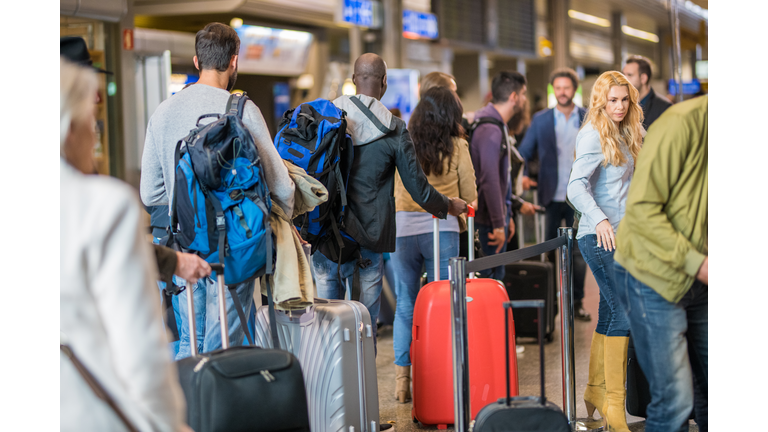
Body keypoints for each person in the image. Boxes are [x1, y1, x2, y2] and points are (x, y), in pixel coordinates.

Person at [140, 22, 295, 360]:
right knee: (226, 345)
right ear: (234, 61)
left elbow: (150, 193)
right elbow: (282, 186)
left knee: (190, 342)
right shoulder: (241, 110)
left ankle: (190, 396)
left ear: (197, 62)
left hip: (183, 245)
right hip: (235, 247)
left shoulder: (163, 112)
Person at [60, 57, 189, 432]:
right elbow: (140, 349)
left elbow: (150, 189)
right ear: (69, 128)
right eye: (92, 122)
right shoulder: (103, 205)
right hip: (91, 415)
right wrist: (169, 423)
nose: (95, 135)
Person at [316, 53, 468, 354]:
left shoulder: (326, 117)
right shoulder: (394, 129)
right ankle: (362, 383)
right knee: (364, 327)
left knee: (325, 325)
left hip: (326, 236)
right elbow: (419, 190)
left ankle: (329, 382)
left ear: (353, 79)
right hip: (368, 239)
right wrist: (448, 205)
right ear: (384, 82)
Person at [612, 96, 708, 432]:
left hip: (700, 276)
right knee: (675, 400)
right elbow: (642, 211)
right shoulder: (680, 124)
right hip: (650, 274)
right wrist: (700, 264)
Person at [567, 71, 645, 432]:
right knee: (624, 314)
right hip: (598, 237)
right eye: (612, 100)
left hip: (624, 237)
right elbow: (575, 186)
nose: (619, 106)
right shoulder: (592, 134)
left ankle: (596, 391)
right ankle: (615, 406)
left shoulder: (629, 131)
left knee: (610, 312)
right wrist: (598, 219)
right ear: (600, 100)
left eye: (624, 99)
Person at [390, 86, 477, 403]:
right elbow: (469, 194)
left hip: (402, 229)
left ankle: (402, 381)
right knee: (443, 303)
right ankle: (441, 375)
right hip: (442, 229)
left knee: (405, 302)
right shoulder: (458, 146)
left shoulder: (403, 141)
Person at [518, 68, 591, 321]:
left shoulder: (587, 117)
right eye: (558, 88)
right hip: (550, 195)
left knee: (578, 253)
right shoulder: (541, 120)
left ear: (574, 89)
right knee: (549, 252)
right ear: (553, 90)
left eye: (566, 87)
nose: (562, 92)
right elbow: (523, 152)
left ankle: (577, 302)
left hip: (579, 197)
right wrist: (522, 175)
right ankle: (551, 303)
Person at [469, 71, 537, 280]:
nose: (524, 99)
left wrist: (507, 215)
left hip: (494, 219)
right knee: (491, 282)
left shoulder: (496, 125)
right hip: (488, 223)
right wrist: (499, 223)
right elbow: (489, 180)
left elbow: (501, 178)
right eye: (523, 94)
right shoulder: (490, 129)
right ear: (514, 97)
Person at [622, 55, 672, 130]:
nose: (623, 79)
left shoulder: (664, 108)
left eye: (630, 75)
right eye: (623, 75)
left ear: (643, 78)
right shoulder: (622, 104)